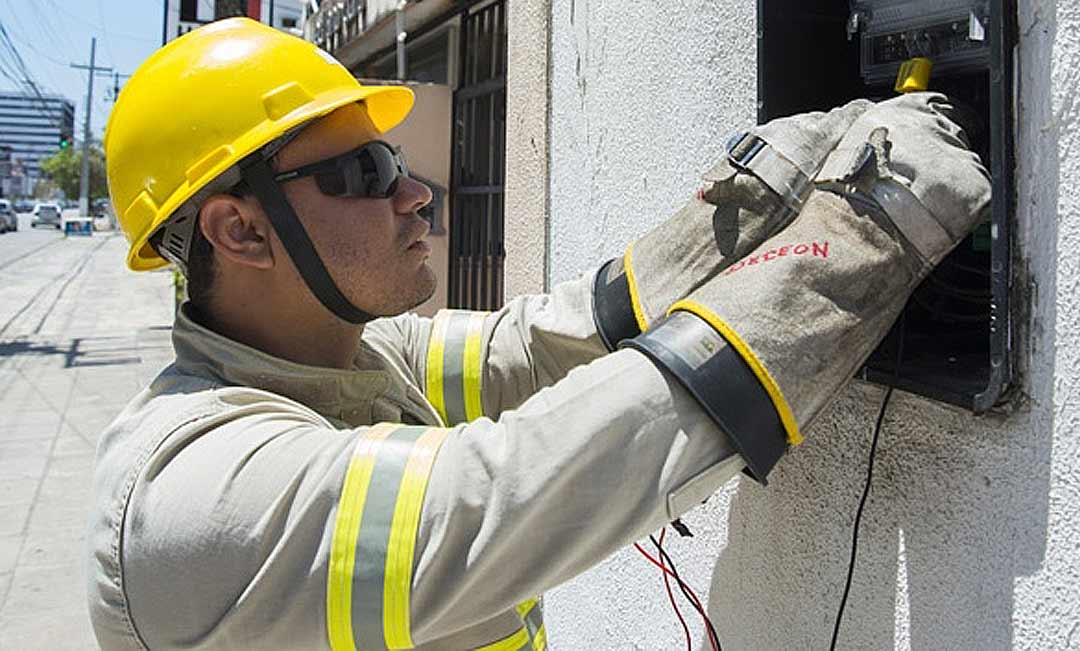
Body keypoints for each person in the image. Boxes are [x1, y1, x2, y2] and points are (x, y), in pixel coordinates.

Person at [87, 17, 990, 650]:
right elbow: (507, 493)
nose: (415, 193)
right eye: (363, 172)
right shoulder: (195, 495)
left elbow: (545, 343)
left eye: (396, 161)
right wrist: (868, 225)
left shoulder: (348, 360)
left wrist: (756, 201)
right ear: (239, 232)